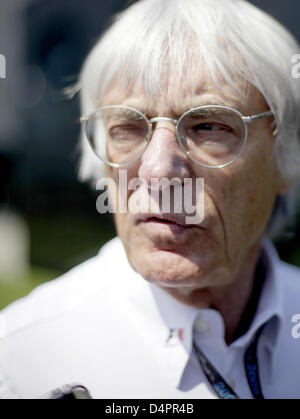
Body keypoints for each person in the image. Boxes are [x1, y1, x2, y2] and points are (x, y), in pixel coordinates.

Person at [0, 0, 300, 400]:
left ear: (287, 156)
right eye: (128, 126)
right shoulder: (22, 363)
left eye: (208, 125)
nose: (157, 172)